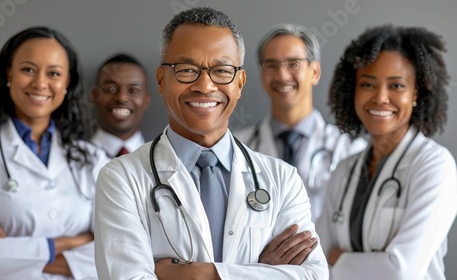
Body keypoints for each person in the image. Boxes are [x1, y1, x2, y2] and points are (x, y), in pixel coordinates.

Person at [94, 7, 328, 280]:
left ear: (239, 83)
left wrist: (203, 274)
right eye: (186, 70)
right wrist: (261, 272)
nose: (205, 86)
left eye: (221, 70)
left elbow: (313, 276)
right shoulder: (121, 178)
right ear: (161, 80)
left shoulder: (283, 179)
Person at [0, 27, 107, 279]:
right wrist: (76, 241)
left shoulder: (93, 158)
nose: (40, 83)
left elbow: (118, 253)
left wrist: (13, 251)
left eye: (54, 73)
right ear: (9, 74)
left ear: (67, 82)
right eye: (28, 69)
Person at [316, 25, 457, 279]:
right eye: (368, 84)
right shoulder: (344, 170)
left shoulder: (435, 165)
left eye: (397, 86)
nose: (381, 97)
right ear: (353, 90)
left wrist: (340, 259)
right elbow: (318, 263)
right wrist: (369, 261)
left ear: (416, 93)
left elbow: (402, 271)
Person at [235, 23, 366, 222]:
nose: (282, 75)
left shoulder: (349, 149)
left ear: (315, 72)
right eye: (271, 65)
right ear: (262, 75)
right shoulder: (236, 148)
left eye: (293, 64)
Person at [90, 53, 151, 157]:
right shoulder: (73, 161)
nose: (122, 98)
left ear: (146, 100)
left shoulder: (163, 160)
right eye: (111, 89)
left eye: (133, 90)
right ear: (95, 96)